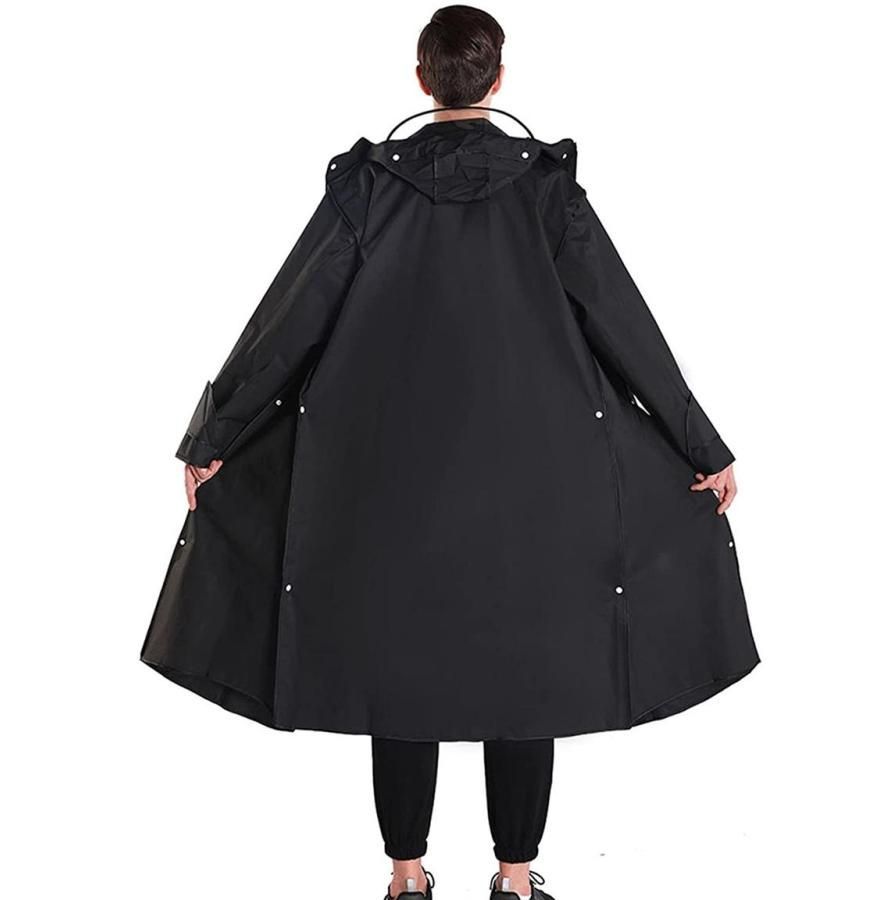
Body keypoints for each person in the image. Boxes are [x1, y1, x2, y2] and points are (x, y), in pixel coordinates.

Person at [140, 6, 759, 899]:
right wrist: (700, 446)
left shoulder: (368, 190)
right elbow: (624, 326)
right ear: (498, 80)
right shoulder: (545, 192)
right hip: (535, 492)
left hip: (390, 490)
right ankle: (515, 881)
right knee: (527, 678)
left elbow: (287, 323)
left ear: (421, 81)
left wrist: (213, 437)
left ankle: (406, 879)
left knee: (401, 673)